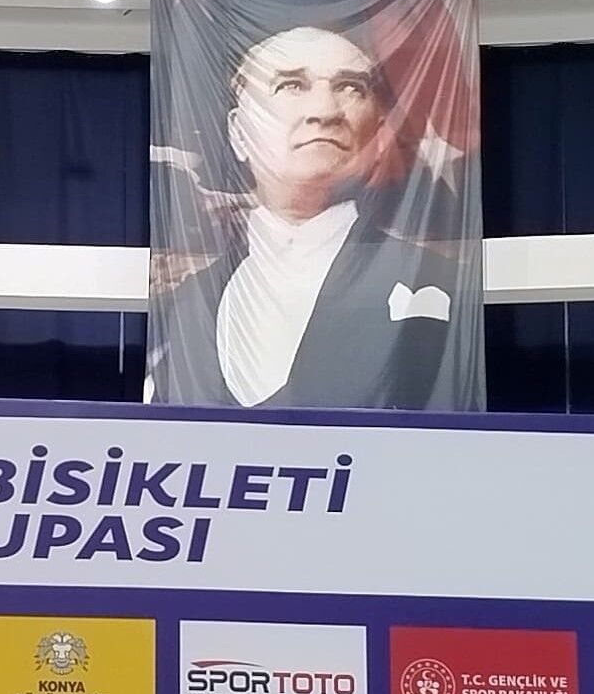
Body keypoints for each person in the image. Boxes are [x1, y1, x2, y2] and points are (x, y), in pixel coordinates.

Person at [148, 21, 469, 412]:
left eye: (351, 87)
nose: (324, 111)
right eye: (290, 86)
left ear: (378, 132)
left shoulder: (437, 279)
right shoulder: (187, 303)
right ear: (239, 133)